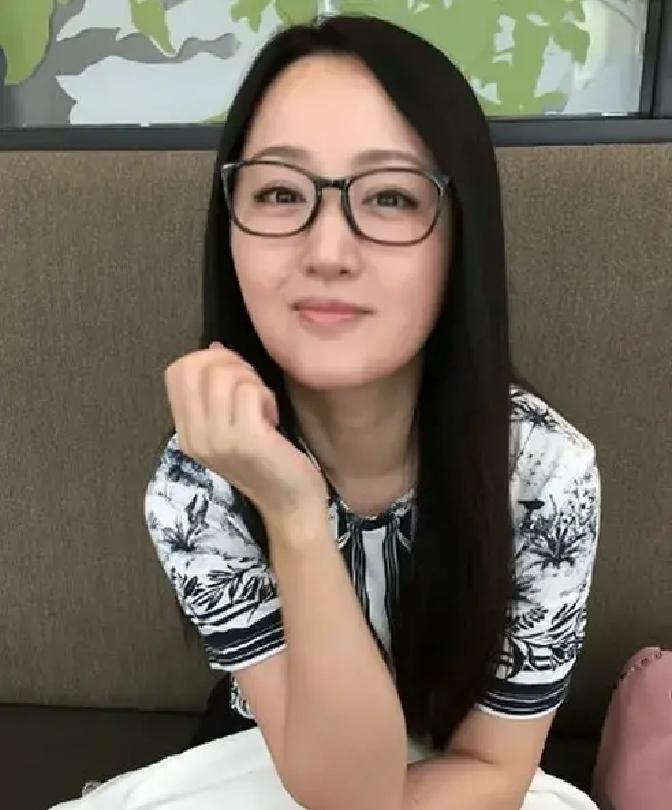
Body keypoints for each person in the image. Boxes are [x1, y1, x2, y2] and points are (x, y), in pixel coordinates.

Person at [144, 14, 601, 810]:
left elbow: (493, 770)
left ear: (461, 236)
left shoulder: (546, 477)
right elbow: (340, 790)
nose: (327, 252)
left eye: (389, 196)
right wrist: (291, 508)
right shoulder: (198, 485)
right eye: (280, 192)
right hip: (276, 756)